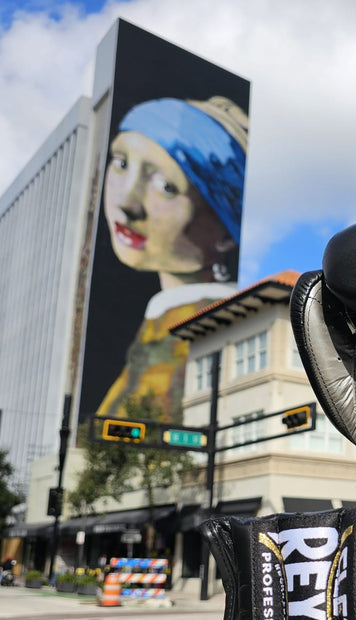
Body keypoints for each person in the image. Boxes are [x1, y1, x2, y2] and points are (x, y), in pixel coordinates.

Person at [98, 96, 248, 421]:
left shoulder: (190, 327)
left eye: (166, 186)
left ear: (226, 233)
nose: (127, 202)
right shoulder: (161, 315)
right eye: (121, 163)